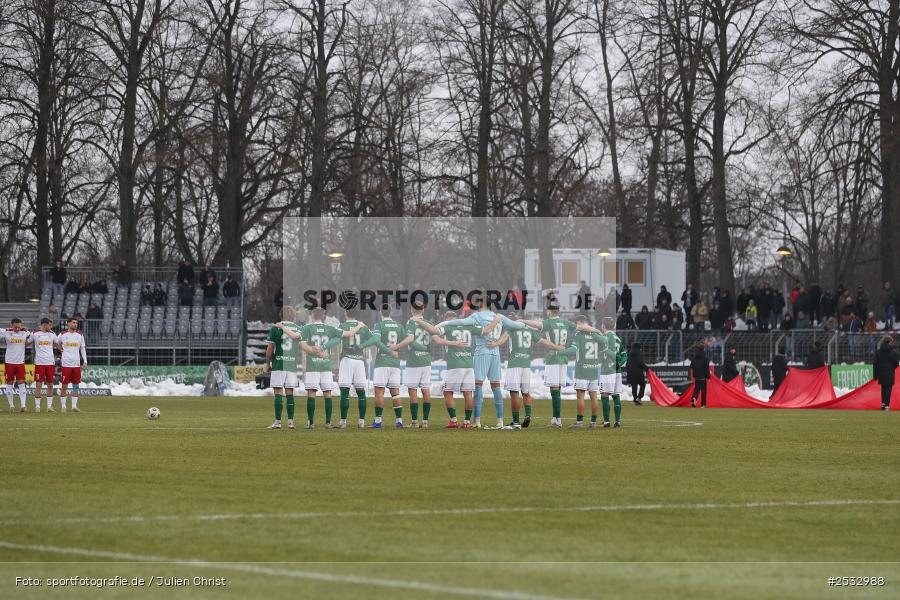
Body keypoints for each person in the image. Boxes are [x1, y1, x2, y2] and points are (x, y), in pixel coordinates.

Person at [435, 296, 529, 429]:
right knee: (496, 386)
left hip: (482, 352)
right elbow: (517, 325)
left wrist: (440, 325)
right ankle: (500, 421)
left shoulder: (477, 316)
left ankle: (477, 421)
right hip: (495, 353)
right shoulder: (499, 316)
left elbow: (458, 322)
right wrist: (524, 321)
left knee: (477, 386)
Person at [294, 307, 365, 428]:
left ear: (311, 315)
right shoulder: (330, 328)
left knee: (311, 393)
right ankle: (328, 422)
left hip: (313, 366)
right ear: (323, 316)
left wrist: (313, 351)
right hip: (326, 365)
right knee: (327, 393)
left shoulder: (307, 328)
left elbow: (301, 343)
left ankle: (310, 423)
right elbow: (348, 334)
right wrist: (359, 326)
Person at [519, 305, 574, 428]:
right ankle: (555, 418)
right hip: (564, 358)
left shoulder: (549, 322)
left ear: (549, 311)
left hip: (553, 357)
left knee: (554, 389)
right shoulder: (566, 322)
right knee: (557, 389)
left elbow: (537, 325)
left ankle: (557, 420)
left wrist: (523, 321)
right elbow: (579, 327)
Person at [265, 307, 319, 430]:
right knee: (290, 393)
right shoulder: (298, 329)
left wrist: (267, 363)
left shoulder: (275, 328)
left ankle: (278, 422)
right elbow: (303, 347)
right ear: (293, 316)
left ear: (280, 315)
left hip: (279, 363)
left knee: (278, 392)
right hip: (291, 366)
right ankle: (290, 422)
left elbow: (269, 349)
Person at [334, 308, 379, 429]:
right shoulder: (363, 326)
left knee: (344, 390)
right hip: (359, 360)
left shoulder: (342, 325)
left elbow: (337, 339)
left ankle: (343, 422)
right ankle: (361, 422)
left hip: (346, 359)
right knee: (361, 391)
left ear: (345, 314)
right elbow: (375, 339)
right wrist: (361, 346)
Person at [395, 303, 436, 428]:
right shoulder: (429, 323)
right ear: (423, 309)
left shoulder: (410, 322)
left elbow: (411, 340)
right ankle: (425, 422)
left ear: (412, 310)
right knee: (425, 390)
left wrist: (396, 347)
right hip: (426, 360)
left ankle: (414, 422)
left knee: (412, 390)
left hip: (414, 361)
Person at [561, 315, 605, 427]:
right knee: (594, 396)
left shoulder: (579, 335)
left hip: (582, 370)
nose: (577, 326)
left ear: (581, 323)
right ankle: (593, 422)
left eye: (578, 324)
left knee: (580, 396)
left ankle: (579, 422)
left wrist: (560, 352)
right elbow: (603, 346)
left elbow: (574, 349)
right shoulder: (595, 335)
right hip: (594, 369)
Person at [57, 317, 87, 412]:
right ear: (68, 323)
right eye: (73, 322)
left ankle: (74, 406)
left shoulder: (79, 335)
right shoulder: (63, 334)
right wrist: (60, 348)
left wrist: (85, 361)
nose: (75, 324)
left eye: (76, 323)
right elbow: (55, 342)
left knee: (75, 386)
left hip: (76, 364)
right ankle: (63, 406)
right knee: (64, 386)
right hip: (66, 364)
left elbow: (82, 348)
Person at [31, 318, 58, 412]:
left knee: (50, 385)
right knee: (38, 385)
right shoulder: (35, 333)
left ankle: (49, 407)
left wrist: (60, 348)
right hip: (39, 363)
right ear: (44, 324)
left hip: (50, 363)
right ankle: (37, 407)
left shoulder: (52, 334)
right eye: (50, 325)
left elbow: (58, 344)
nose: (51, 327)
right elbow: (27, 342)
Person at [873, 336, 899, 411]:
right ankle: (886, 405)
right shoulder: (894, 352)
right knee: (888, 389)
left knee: (883, 388)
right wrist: (891, 367)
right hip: (890, 372)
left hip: (881, 373)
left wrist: (875, 375)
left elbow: (875, 363)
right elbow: (897, 364)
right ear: (890, 342)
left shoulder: (878, 352)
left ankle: (883, 404)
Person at [689, 342, 710, 408]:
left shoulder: (694, 357)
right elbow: (706, 368)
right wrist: (708, 377)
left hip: (697, 377)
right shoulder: (705, 357)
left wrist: (693, 377)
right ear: (703, 349)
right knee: (703, 391)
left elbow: (691, 367)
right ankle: (703, 404)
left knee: (696, 389)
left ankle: (694, 398)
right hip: (703, 377)